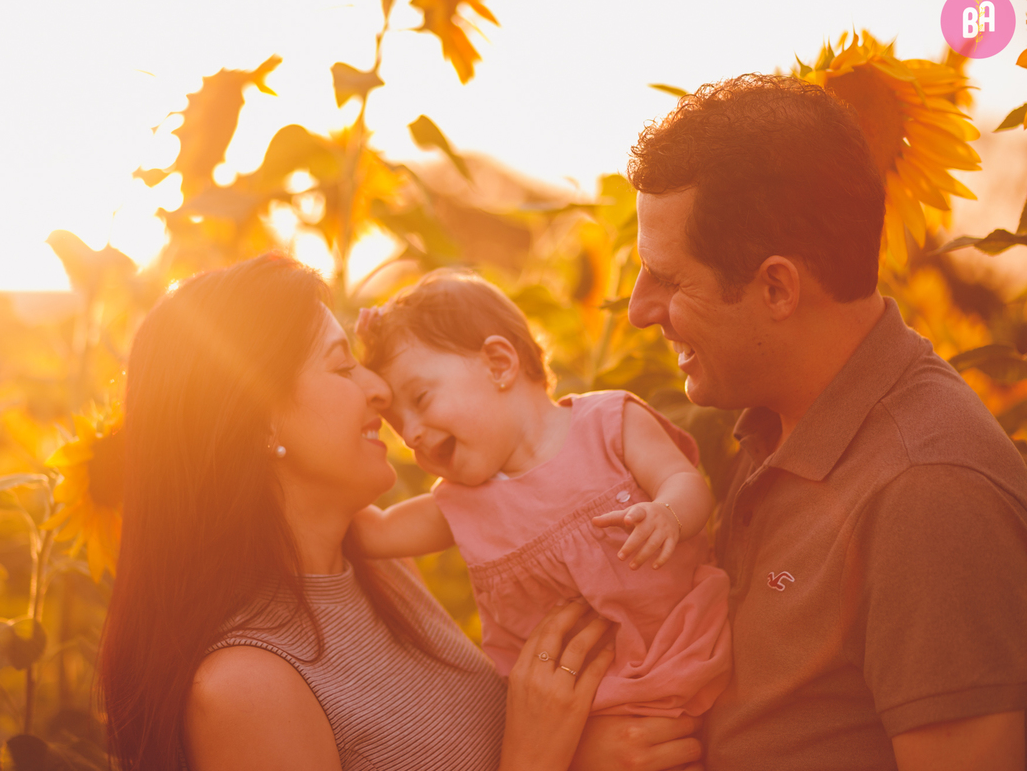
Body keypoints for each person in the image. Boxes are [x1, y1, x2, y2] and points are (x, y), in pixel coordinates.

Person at [97, 254, 706, 771]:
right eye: (341, 366)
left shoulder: (381, 572)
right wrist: (538, 758)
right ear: (260, 423)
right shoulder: (242, 686)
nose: (380, 391)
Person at [625, 73, 1027, 769]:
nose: (638, 309)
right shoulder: (773, 423)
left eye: (668, 278)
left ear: (777, 287)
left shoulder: (926, 494)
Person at [350, 270, 731, 719]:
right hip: (582, 717)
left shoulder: (608, 423)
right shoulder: (461, 503)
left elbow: (685, 483)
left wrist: (668, 514)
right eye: (397, 425)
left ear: (499, 363)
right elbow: (373, 533)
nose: (411, 434)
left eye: (421, 399)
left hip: (692, 656)